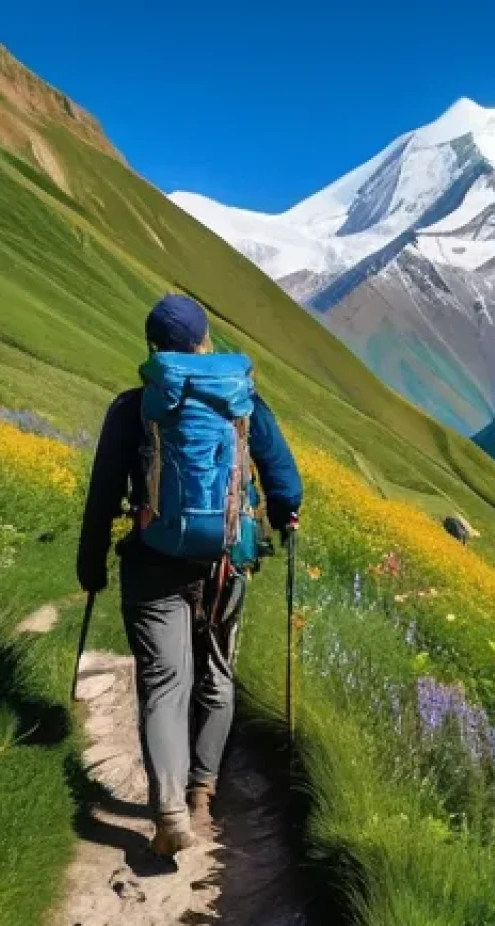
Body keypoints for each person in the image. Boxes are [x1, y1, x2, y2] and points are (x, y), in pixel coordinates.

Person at [77, 294, 303, 856]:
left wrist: (90, 563)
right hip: (225, 562)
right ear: (206, 341)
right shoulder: (242, 400)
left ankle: (170, 808)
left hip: (153, 562)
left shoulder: (134, 407)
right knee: (217, 677)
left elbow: (104, 491)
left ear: (153, 348)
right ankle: (204, 791)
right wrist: (283, 511)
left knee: (163, 683)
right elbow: (283, 478)